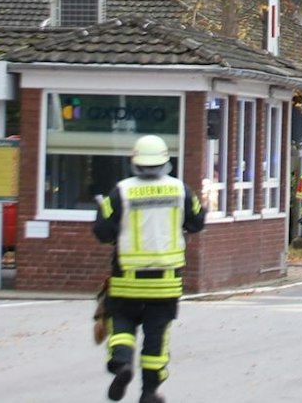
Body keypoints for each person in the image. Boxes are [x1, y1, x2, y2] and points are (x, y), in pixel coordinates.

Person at [94, 135, 205, 403]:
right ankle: (149, 393)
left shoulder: (121, 191)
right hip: (165, 284)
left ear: (136, 161)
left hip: (126, 281)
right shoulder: (181, 190)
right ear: (165, 161)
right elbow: (198, 222)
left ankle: (122, 364)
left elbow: (102, 231)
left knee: (121, 325)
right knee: (156, 339)